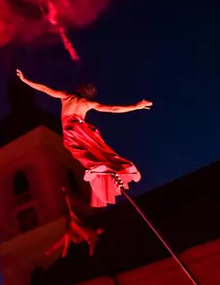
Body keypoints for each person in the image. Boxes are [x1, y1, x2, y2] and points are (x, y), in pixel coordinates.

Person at [15, 69, 151, 207]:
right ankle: (123, 166)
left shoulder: (67, 96)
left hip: (71, 128)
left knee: (74, 148)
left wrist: (25, 80)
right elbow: (113, 108)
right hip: (84, 129)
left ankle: (98, 166)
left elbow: (44, 89)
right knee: (99, 149)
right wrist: (136, 106)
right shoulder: (87, 103)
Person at [47, 186, 104, 258]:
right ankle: (56, 249)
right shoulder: (74, 215)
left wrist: (91, 250)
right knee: (66, 237)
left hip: (78, 238)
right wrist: (64, 192)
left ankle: (65, 247)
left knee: (72, 228)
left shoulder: (90, 232)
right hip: (74, 234)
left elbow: (90, 241)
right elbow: (67, 201)